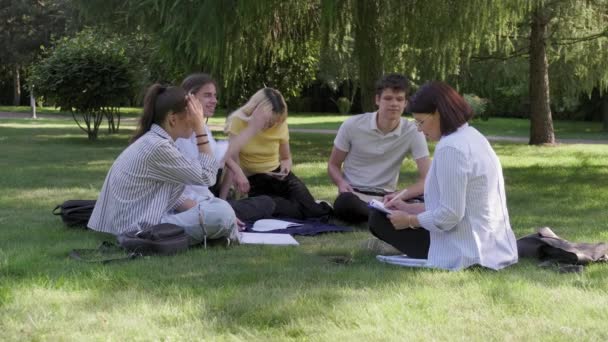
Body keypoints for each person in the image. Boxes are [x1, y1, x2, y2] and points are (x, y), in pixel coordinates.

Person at [369, 81, 518, 271]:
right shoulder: (473, 136)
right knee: (390, 213)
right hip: (491, 244)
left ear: (438, 113)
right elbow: (458, 205)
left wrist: (409, 221)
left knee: (378, 219)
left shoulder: (451, 148)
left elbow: (450, 214)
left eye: (420, 122)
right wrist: (408, 207)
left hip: (467, 249)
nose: (419, 130)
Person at [88, 84, 240, 245]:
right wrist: (200, 129)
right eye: (193, 116)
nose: (197, 120)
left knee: (217, 208)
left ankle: (216, 229)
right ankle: (216, 231)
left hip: (131, 224)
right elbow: (208, 177)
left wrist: (205, 208)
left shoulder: (156, 141)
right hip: (137, 230)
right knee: (221, 214)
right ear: (173, 119)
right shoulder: (158, 146)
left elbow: (174, 196)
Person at [328, 73, 431, 223]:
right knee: (344, 204)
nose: (394, 103)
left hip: (388, 198)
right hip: (354, 196)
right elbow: (333, 165)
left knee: (434, 199)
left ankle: (386, 214)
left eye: (399, 99)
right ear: (377, 100)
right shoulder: (352, 125)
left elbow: (427, 179)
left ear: (405, 103)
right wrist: (341, 183)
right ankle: (385, 217)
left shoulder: (413, 131)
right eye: (388, 98)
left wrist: (400, 196)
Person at [174, 73, 275, 222]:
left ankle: (225, 203)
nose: (214, 101)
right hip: (194, 204)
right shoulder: (184, 132)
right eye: (208, 95)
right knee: (267, 203)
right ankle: (226, 206)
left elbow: (221, 153)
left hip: (205, 198)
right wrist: (253, 127)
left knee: (266, 202)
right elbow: (213, 162)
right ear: (190, 98)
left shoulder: (200, 128)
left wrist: (237, 171)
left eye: (215, 96)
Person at [222, 87, 332, 220]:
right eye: (268, 121)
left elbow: (286, 158)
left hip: (279, 176)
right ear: (256, 110)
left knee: (313, 211)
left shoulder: (280, 123)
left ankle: (309, 206)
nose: (271, 125)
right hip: (255, 181)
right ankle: (296, 206)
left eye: (274, 122)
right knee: (288, 209)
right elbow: (229, 156)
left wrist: (286, 168)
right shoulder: (238, 121)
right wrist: (238, 174)